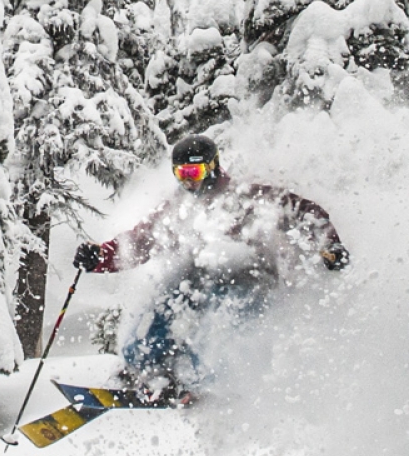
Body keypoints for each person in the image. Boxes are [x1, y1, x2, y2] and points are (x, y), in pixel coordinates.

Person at [73, 135, 350, 405]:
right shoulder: (177, 209)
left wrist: (329, 245)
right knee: (165, 303)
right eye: (182, 174)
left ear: (213, 167)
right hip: (198, 275)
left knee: (221, 316)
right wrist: (99, 256)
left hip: (250, 276)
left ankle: (204, 381)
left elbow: (301, 211)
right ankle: (148, 368)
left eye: (194, 172)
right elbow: (140, 242)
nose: (189, 182)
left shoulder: (245, 198)